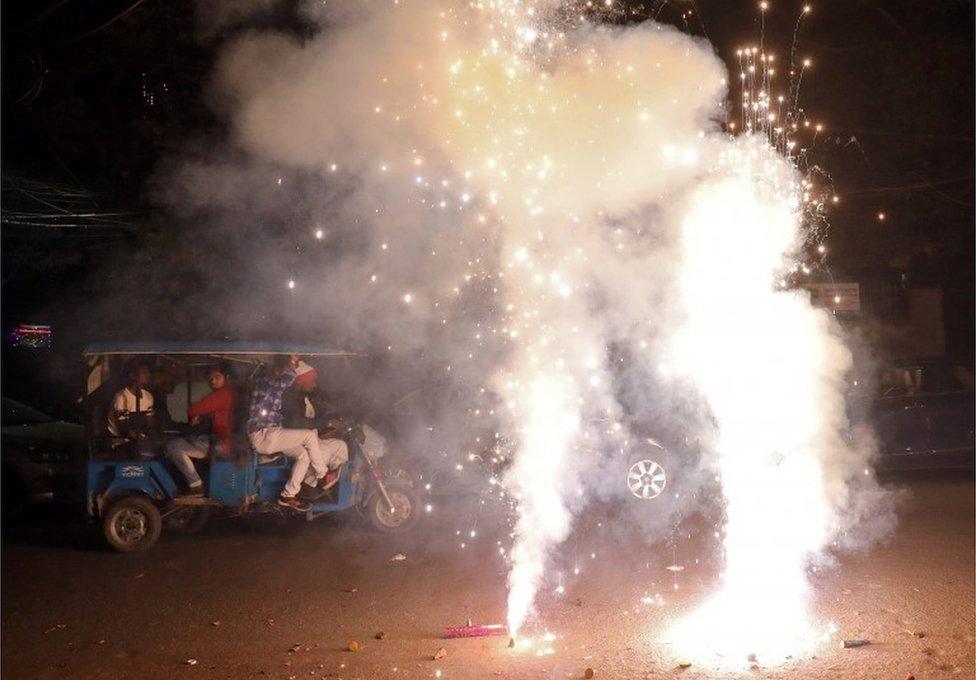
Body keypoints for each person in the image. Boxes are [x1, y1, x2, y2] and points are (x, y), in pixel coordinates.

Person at [247, 356, 330, 511]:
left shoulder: (272, 384)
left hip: (271, 434)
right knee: (310, 435)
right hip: (262, 436)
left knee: (304, 454)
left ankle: (288, 495)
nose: (284, 371)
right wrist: (294, 364)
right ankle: (323, 473)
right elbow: (287, 380)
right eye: (282, 368)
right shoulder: (267, 383)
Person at [164, 364, 236, 497]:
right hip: (225, 442)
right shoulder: (229, 394)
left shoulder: (222, 394)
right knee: (192, 439)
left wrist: (197, 414)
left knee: (173, 446)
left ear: (227, 378)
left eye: (217, 377)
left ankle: (195, 485)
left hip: (222, 444)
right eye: (210, 378)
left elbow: (193, 409)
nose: (213, 381)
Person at [281, 364, 348, 491]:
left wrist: (331, 424)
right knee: (324, 453)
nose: (314, 385)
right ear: (301, 382)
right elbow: (298, 424)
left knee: (340, 447)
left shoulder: (304, 397)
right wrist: (326, 423)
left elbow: (316, 419)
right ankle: (308, 486)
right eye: (312, 382)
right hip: (295, 442)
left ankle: (329, 482)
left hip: (309, 440)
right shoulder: (289, 398)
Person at [107, 359, 158, 456]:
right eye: (144, 372)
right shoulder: (122, 398)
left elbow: (150, 424)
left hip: (140, 441)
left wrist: (157, 438)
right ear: (132, 376)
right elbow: (124, 430)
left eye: (148, 372)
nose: (148, 375)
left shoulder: (148, 396)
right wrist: (144, 439)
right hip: (122, 443)